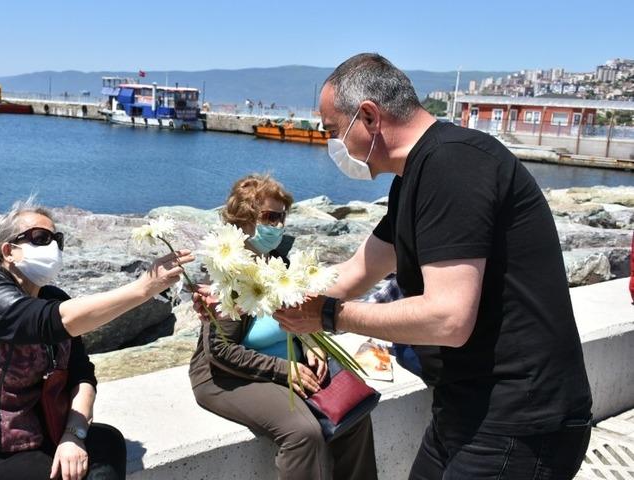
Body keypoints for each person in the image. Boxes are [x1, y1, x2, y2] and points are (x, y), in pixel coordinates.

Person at [273, 53, 593, 479]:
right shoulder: (415, 178)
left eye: (334, 131)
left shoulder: (454, 164)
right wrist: (267, 297)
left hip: (520, 419)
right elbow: (356, 271)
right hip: (465, 407)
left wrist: (331, 316)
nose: (333, 145)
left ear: (368, 116)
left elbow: (448, 318)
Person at [0, 198, 193, 480]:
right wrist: (144, 288)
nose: (53, 247)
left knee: (106, 442)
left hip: (28, 438)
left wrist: (74, 434)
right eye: (40, 238)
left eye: (56, 239)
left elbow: (82, 376)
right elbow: (54, 320)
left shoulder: (53, 299)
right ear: (9, 251)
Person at [188, 174, 378, 480]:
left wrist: (311, 338)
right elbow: (220, 351)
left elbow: (295, 316)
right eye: (269, 217)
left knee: (355, 412)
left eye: (282, 217)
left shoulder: (278, 260)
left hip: (287, 363)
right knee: (303, 433)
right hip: (227, 376)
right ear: (245, 220)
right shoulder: (228, 275)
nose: (278, 225)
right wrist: (283, 370)